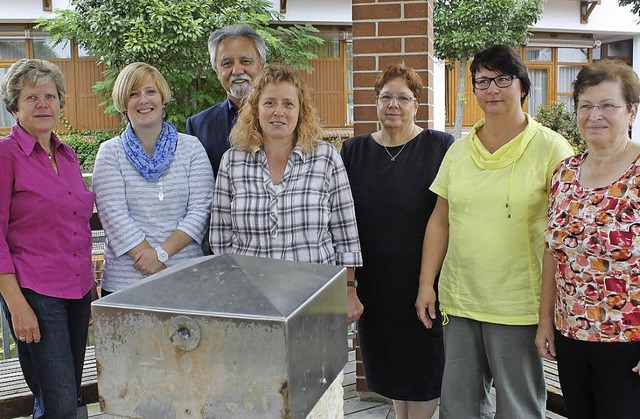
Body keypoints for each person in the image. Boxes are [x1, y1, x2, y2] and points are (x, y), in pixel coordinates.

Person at [415, 45, 574, 418]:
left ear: (522, 86)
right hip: (461, 298)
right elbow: (441, 219)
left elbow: (565, 231)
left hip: (518, 305)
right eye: (483, 81)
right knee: (459, 405)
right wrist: (427, 284)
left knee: (518, 406)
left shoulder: (552, 149)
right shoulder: (459, 150)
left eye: (503, 79)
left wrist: (551, 310)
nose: (492, 89)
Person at [340, 62, 453, 419]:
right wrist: (350, 284)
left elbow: (448, 217)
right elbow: (342, 218)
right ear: (375, 102)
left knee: (423, 369)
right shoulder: (353, 151)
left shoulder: (440, 147)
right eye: (385, 96)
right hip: (374, 283)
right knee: (391, 367)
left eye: (403, 97)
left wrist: (428, 283)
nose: (393, 104)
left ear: (416, 104)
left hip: (423, 281)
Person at [210, 65, 363, 323]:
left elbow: (345, 234)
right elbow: (221, 238)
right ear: (255, 109)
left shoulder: (325, 158)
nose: (278, 111)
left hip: (315, 298)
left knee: (314, 364)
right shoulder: (232, 162)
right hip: (252, 302)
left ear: (300, 111)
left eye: (288, 104)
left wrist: (349, 290)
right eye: (269, 102)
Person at [536, 59, 640, 419]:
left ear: (631, 111)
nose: (595, 115)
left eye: (608, 105)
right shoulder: (565, 172)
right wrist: (545, 320)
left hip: (628, 342)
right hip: (571, 336)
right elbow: (553, 250)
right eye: (586, 105)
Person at [0, 59, 94, 418]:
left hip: (77, 292)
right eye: (31, 97)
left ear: (60, 103)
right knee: (57, 405)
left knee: (66, 398)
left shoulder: (67, 155)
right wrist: (17, 305)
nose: (42, 103)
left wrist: (89, 284)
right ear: (14, 106)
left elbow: (75, 223)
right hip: (36, 297)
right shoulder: (5, 155)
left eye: (50, 96)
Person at [92, 62, 213, 296]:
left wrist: (161, 255)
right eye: (133, 94)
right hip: (125, 284)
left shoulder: (192, 148)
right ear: (123, 103)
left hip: (186, 278)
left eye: (150, 92)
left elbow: (201, 210)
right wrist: (150, 259)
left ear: (162, 98)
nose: (143, 100)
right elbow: (113, 215)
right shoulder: (110, 153)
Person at [186, 24, 267, 177]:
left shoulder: (284, 117)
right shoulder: (198, 127)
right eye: (227, 63)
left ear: (262, 65)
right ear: (217, 71)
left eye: (245, 61)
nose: (237, 70)